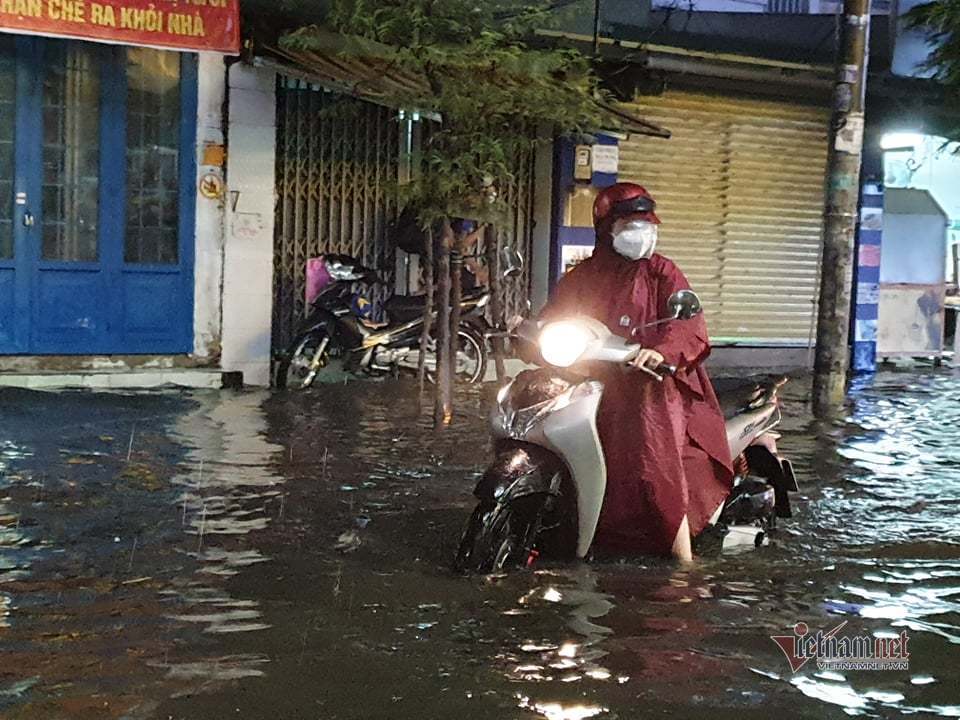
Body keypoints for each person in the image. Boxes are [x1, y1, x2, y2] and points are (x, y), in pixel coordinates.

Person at [540, 182, 733, 562]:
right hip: (594, 378)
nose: (640, 233)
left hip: (654, 380)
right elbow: (555, 316)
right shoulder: (582, 277)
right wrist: (531, 331)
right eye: (630, 224)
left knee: (652, 446)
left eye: (646, 223)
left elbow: (688, 325)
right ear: (606, 228)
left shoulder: (663, 272)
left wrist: (660, 352)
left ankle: (683, 558)